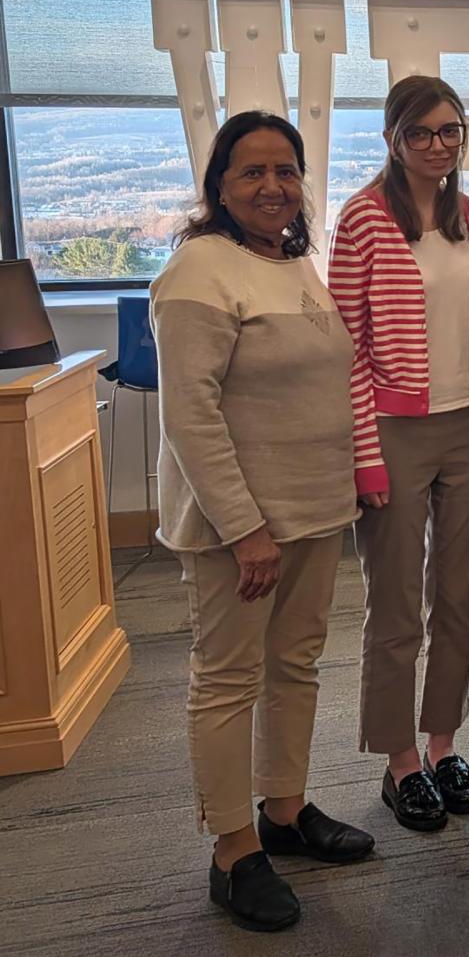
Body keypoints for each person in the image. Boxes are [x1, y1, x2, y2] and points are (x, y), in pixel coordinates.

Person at [152, 111, 373, 933]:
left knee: (296, 665)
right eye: (252, 172)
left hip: (315, 509)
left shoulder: (290, 260)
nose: (273, 186)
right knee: (228, 678)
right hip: (238, 527)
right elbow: (191, 416)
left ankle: (283, 810)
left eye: (287, 170)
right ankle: (233, 849)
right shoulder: (198, 272)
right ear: (218, 184)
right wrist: (244, 526)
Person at [328, 75, 469, 833]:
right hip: (394, 429)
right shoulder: (362, 219)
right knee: (395, 604)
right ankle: (399, 759)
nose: (438, 145)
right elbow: (347, 350)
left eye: (450, 131)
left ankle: (444, 741)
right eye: (422, 132)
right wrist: (364, 455)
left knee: (457, 597)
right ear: (393, 138)